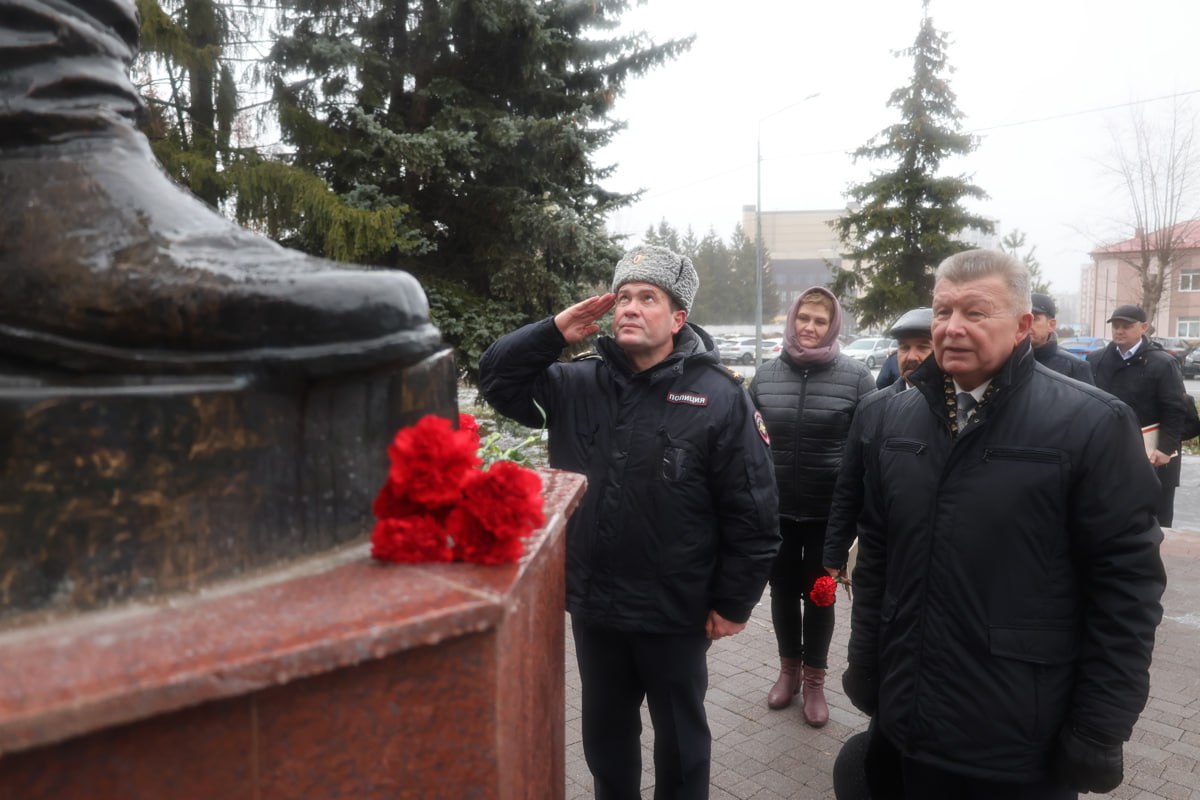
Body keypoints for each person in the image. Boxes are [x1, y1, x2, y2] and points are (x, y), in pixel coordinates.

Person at [843, 249, 1166, 799]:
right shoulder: (894, 417)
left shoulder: (1092, 424)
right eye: (943, 312)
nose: (952, 327)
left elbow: (1126, 589)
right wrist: (866, 662)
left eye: (975, 312)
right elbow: (876, 554)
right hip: (905, 719)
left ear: (1021, 326)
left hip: (1017, 739)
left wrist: (1099, 728)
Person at [479, 245, 780, 800]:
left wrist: (735, 602)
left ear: (678, 317)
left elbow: (753, 510)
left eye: (648, 298)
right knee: (606, 743)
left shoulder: (719, 396)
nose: (630, 308)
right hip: (597, 608)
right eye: (622, 298)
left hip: (675, 612)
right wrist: (553, 331)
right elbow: (496, 380)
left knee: (681, 745)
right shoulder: (575, 384)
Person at [748, 287, 874, 725]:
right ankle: (789, 670)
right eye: (804, 318)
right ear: (792, 319)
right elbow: (748, 445)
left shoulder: (857, 378)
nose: (810, 327)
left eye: (820, 321)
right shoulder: (765, 377)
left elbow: (866, 452)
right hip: (776, 513)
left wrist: (859, 515)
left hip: (830, 515)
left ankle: (815, 680)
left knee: (820, 596)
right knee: (783, 592)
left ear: (833, 325)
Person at [823, 306, 932, 580]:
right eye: (904, 347)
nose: (911, 356)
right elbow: (849, 485)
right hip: (879, 556)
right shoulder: (872, 408)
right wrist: (835, 551)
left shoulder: (958, 411)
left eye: (923, 347)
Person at [1087, 304, 1189, 527]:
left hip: (1152, 455)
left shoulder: (1162, 362)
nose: (1119, 331)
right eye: (1115, 326)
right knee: (1109, 516)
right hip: (1108, 452)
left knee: (1154, 519)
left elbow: (1175, 409)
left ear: (1143, 327)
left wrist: (1166, 448)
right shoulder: (1096, 360)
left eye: (1126, 326)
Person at [1029, 293, 1094, 384]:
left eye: (1034, 319)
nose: (1027, 324)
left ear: (1051, 325)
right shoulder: (1010, 359)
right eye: (1023, 318)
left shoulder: (1074, 367)